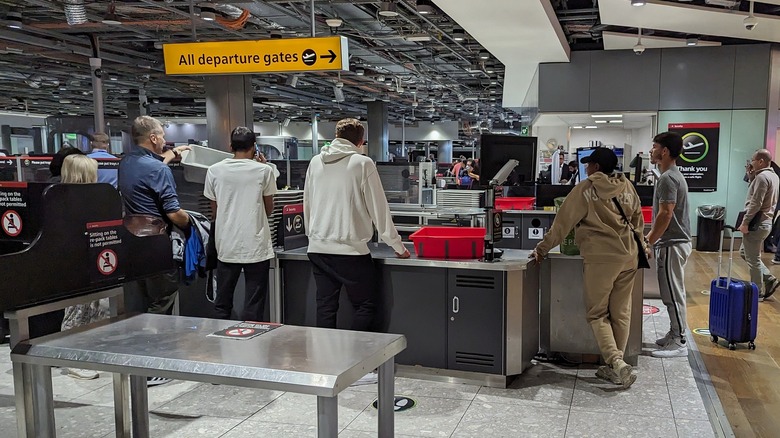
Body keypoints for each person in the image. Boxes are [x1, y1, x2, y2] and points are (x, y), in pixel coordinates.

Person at [531, 147, 646, 389]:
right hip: (630, 256)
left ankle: (616, 362)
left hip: (602, 258)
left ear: (595, 166)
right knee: (621, 313)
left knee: (596, 313)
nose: (585, 167)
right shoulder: (627, 186)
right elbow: (638, 220)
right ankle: (617, 365)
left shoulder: (586, 189)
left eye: (588, 164)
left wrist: (542, 249)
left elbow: (563, 224)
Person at [304, 118, 410, 334]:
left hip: (318, 249)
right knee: (365, 306)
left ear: (336, 137)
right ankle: (356, 359)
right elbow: (379, 210)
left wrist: (312, 235)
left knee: (325, 308)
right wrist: (398, 246)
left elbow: (308, 203)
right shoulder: (363, 163)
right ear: (361, 142)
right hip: (351, 252)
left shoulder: (315, 162)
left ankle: (325, 361)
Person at [118, 116, 190, 387]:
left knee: (138, 301)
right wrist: (192, 222)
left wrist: (171, 155)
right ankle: (154, 366)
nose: (164, 139)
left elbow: (148, 171)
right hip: (156, 240)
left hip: (130, 238)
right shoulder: (160, 171)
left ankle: (136, 361)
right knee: (162, 299)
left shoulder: (126, 163)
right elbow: (173, 212)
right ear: (154, 138)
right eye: (162, 135)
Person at [204, 127, 277, 321]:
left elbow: (215, 210)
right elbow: (269, 208)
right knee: (254, 303)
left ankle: (220, 342)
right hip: (256, 243)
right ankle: (251, 345)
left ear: (230, 146)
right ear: (254, 147)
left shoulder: (214, 171)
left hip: (226, 243)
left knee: (223, 300)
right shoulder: (264, 171)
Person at [60, 154, 109, 379]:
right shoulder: (64, 201)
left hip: (91, 260)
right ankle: (71, 359)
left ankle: (87, 354)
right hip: (76, 264)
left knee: (93, 309)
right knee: (77, 311)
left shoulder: (83, 199)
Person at [644, 132, 692, 358]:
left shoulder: (668, 178)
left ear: (664, 151)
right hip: (672, 243)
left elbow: (665, 214)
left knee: (673, 293)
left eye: (654, 147)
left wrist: (648, 240)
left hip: (673, 243)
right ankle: (674, 333)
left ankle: (680, 340)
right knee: (669, 292)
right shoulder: (670, 175)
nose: (651, 151)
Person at [738, 149, 780, 300]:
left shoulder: (762, 177)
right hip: (766, 222)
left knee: (753, 258)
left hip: (757, 223)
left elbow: (756, 203)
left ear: (761, 161)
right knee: (745, 253)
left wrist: (745, 223)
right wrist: (751, 177)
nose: (751, 163)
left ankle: (757, 293)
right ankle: (768, 278)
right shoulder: (773, 176)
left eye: (753, 160)